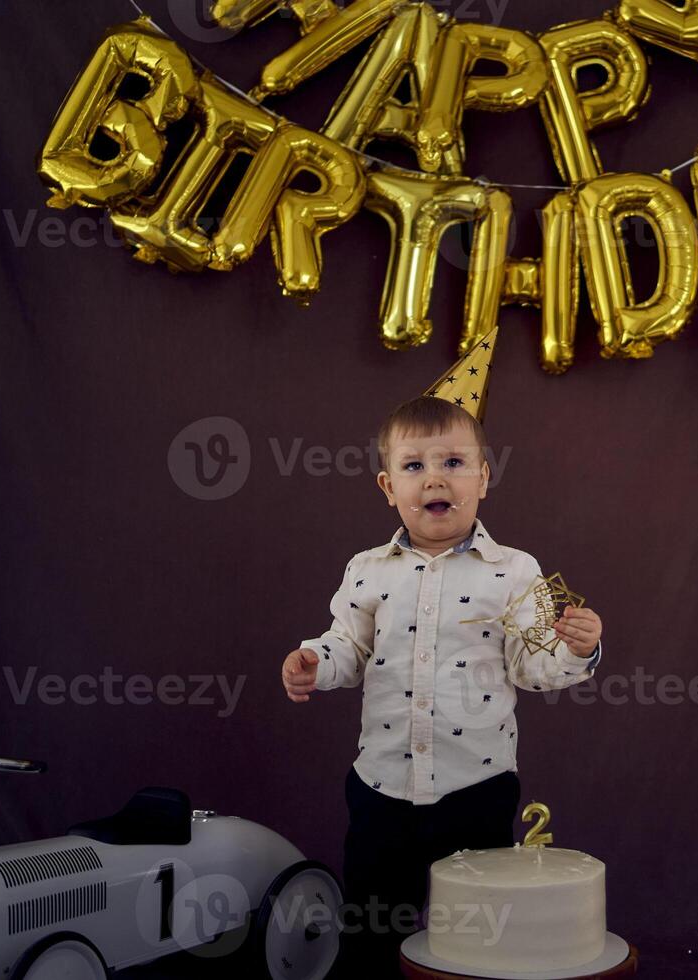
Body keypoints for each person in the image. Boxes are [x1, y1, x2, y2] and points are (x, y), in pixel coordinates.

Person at [281, 394, 603, 978]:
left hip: (476, 789)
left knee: (477, 935)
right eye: (414, 466)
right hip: (382, 788)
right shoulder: (368, 570)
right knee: (373, 929)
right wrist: (313, 661)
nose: (435, 478)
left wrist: (577, 650)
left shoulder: (514, 571)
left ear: (483, 477)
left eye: (454, 463)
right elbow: (348, 648)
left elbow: (533, 668)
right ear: (388, 486)